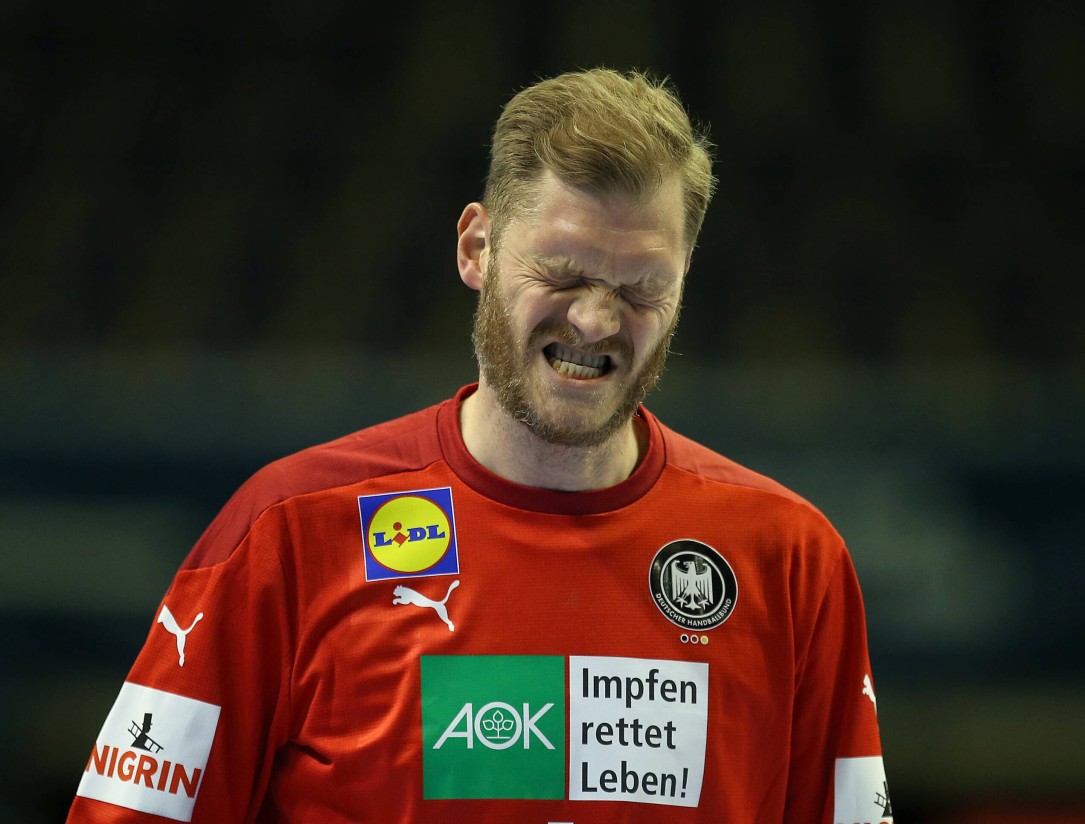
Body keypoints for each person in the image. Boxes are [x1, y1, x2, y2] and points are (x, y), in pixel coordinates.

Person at [68, 68, 892, 823]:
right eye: (563, 273)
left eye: (643, 288)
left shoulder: (790, 559)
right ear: (476, 247)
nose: (597, 321)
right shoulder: (291, 530)